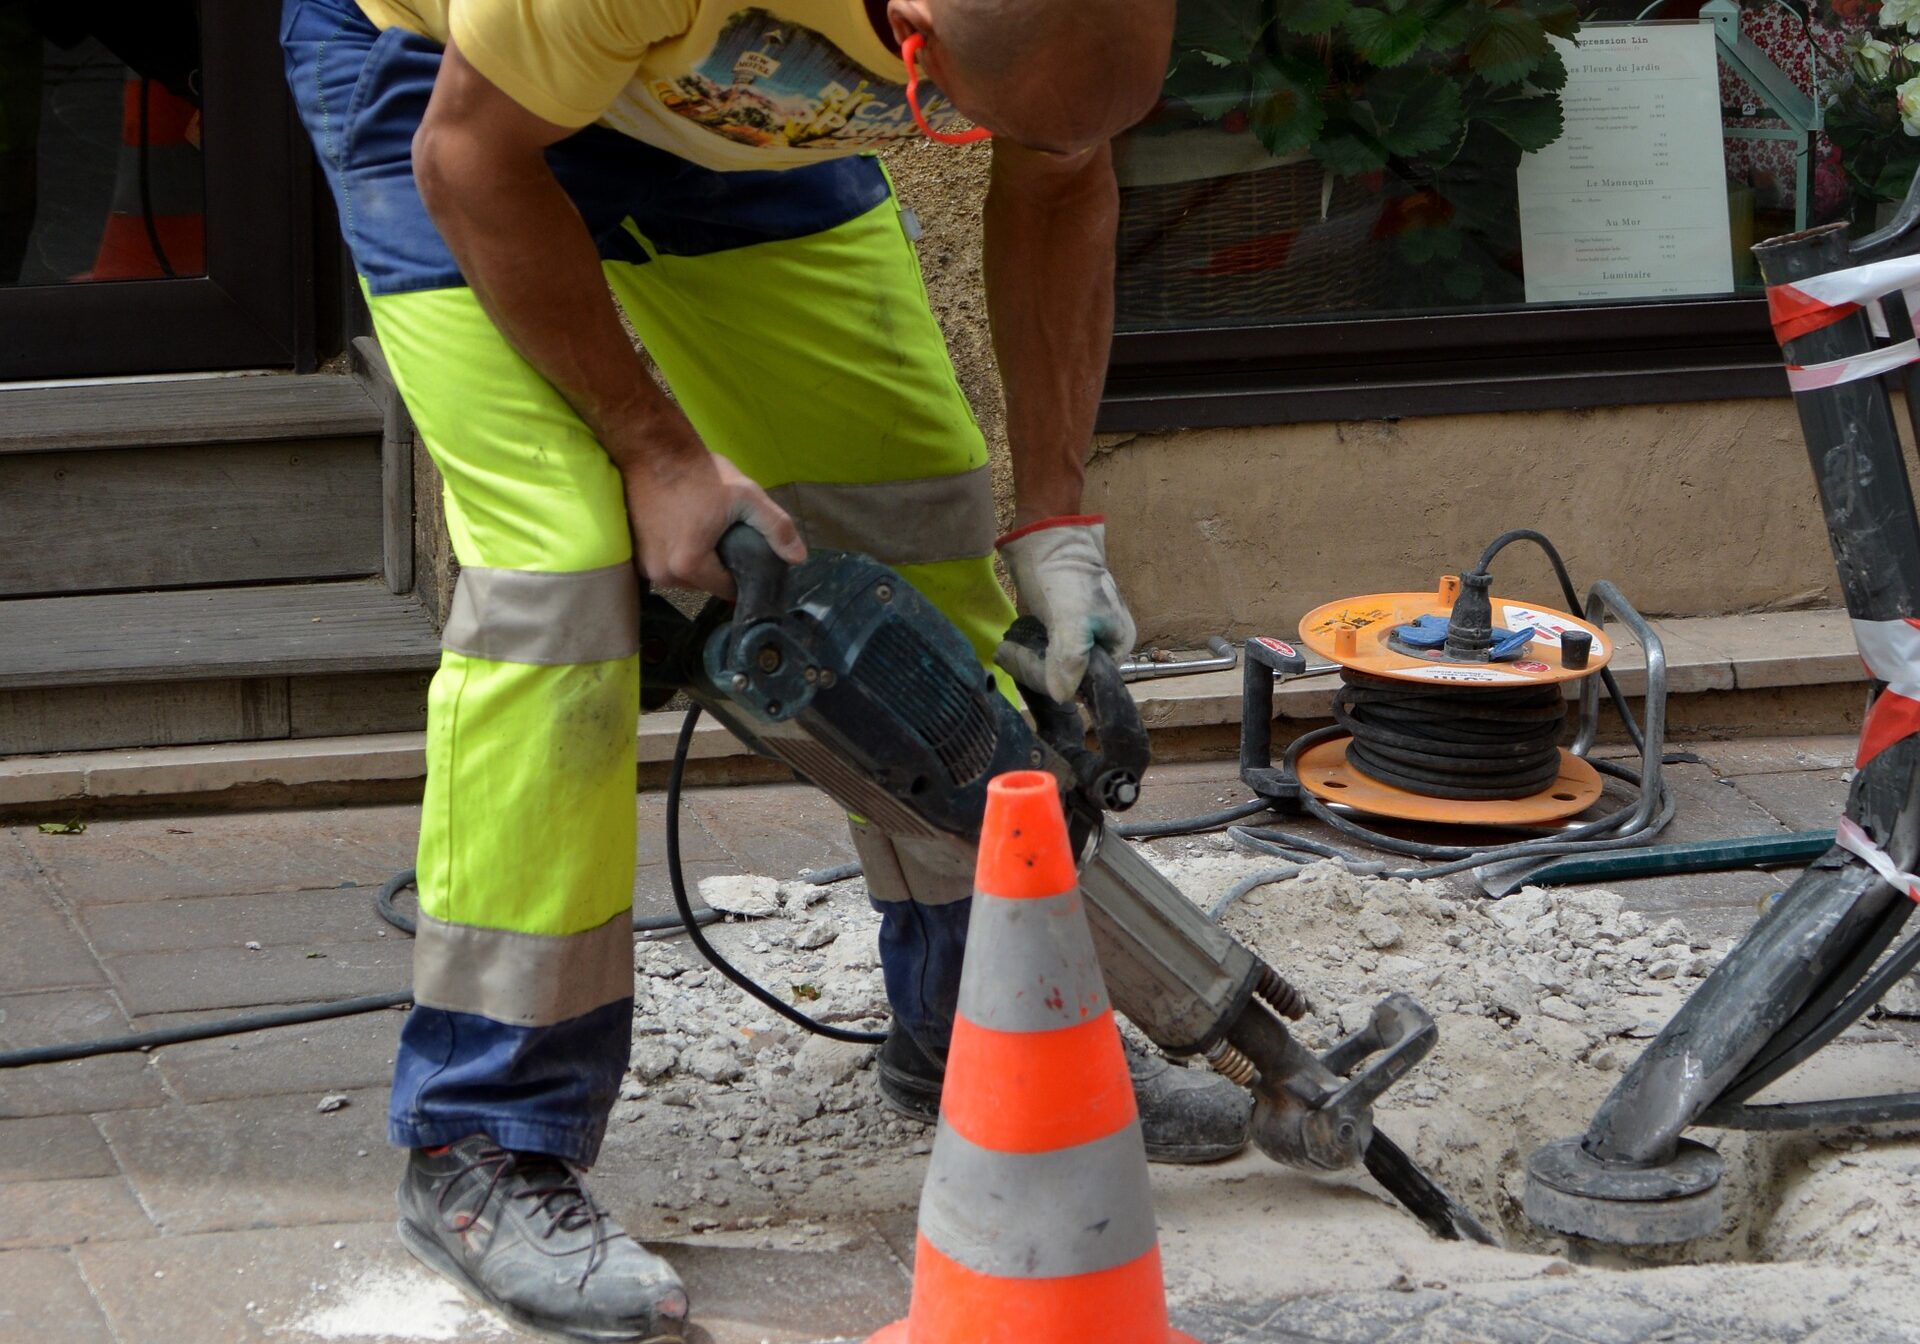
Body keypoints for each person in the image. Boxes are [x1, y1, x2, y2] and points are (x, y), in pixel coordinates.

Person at [280, 0, 1250, 1337]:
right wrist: (657, 448)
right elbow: (473, 160)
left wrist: (1056, 515)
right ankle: (483, 1138)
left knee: (914, 516)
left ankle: (985, 1023)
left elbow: (1061, 166)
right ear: (912, 37)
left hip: (722, 113)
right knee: (561, 581)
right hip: (451, 97)